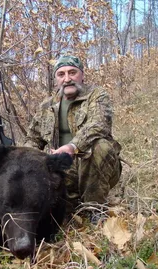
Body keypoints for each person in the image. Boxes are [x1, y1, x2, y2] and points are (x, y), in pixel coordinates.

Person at [24, 55, 122, 214]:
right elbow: (32, 139)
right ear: (56, 79)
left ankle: (94, 209)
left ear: (82, 75)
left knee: (100, 147)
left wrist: (72, 146)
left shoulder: (96, 94)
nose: (67, 79)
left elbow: (99, 124)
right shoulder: (47, 106)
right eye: (61, 74)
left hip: (95, 165)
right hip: (62, 170)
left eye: (72, 72)